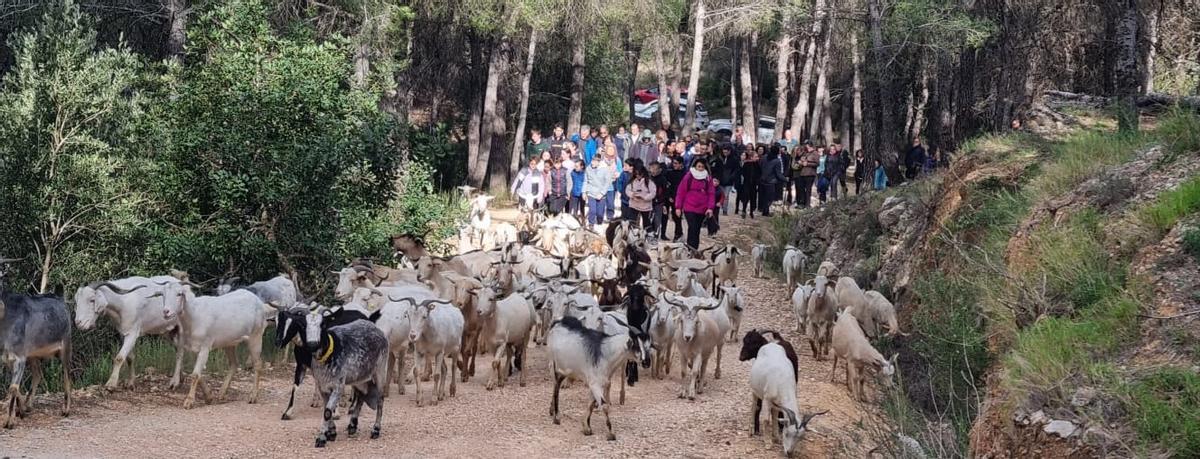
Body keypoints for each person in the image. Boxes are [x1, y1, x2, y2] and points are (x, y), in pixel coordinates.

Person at [674, 157, 717, 250]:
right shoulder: (689, 176)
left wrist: (710, 207)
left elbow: (711, 193)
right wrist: (678, 207)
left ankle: (694, 249)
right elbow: (681, 191)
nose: (700, 168)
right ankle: (690, 248)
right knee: (692, 227)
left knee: (697, 229)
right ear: (695, 166)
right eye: (699, 166)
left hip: (702, 208)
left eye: (702, 167)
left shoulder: (707, 178)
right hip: (689, 206)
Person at [584, 147, 617, 228]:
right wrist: (584, 192)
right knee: (592, 210)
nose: (592, 163)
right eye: (592, 160)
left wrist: (602, 193)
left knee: (600, 213)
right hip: (591, 193)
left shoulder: (605, 169)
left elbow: (607, 183)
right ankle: (591, 224)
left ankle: (599, 222)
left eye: (595, 161)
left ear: (599, 162)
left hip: (601, 194)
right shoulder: (588, 169)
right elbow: (586, 181)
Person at [624, 161, 656, 232]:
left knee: (646, 223)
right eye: (636, 174)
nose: (638, 176)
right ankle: (632, 235)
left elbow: (653, 193)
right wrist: (632, 195)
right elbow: (627, 190)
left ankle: (649, 236)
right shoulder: (632, 181)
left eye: (639, 174)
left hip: (645, 206)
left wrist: (645, 197)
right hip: (634, 205)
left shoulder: (649, 182)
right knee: (632, 222)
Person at [662, 156, 687, 241]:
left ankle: (678, 233)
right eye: (673, 163)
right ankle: (662, 233)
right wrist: (668, 196)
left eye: (676, 163)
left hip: (677, 197)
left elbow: (682, 188)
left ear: (681, 164)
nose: (674, 165)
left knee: (677, 216)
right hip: (668, 196)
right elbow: (666, 185)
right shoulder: (669, 171)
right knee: (664, 215)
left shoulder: (684, 174)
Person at [758, 146, 785, 217]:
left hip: (762, 180)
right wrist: (785, 179)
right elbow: (778, 174)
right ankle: (766, 211)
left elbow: (760, 166)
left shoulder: (764, 157)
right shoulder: (777, 161)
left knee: (763, 197)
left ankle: (764, 210)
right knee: (770, 198)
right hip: (771, 182)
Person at [737, 146, 762, 218]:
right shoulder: (746, 164)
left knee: (753, 198)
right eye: (755, 157)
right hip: (747, 183)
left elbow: (759, 173)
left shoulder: (757, 165)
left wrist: (757, 180)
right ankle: (744, 210)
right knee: (746, 197)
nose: (757, 158)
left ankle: (751, 211)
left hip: (754, 184)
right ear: (751, 157)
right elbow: (743, 173)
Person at [715, 145, 740, 216]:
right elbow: (716, 169)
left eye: (726, 152)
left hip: (729, 181)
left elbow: (736, 169)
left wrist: (732, 177)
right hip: (720, 180)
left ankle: (725, 210)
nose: (725, 153)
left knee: (726, 195)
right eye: (724, 152)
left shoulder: (734, 159)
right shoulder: (719, 159)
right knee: (721, 195)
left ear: (729, 151)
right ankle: (721, 206)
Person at [601, 141, 623, 221]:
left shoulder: (617, 160)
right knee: (601, 202)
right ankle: (600, 217)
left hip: (612, 185)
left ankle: (610, 217)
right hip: (601, 184)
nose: (610, 151)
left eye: (612, 149)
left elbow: (620, 171)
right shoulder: (602, 158)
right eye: (609, 149)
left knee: (610, 202)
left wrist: (617, 174)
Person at [648, 161, 669, 238]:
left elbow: (665, 191)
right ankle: (648, 232)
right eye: (651, 169)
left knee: (657, 219)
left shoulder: (662, 179)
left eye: (655, 169)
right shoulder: (649, 178)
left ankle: (656, 234)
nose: (653, 171)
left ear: (659, 170)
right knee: (648, 218)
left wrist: (663, 202)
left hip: (659, 202)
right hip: (649, 201)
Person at [795, 143, 818, 208]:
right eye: (806, 147)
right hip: (803, 173)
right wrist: (800, 162)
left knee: (808, 189)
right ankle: (802, 203)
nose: (807, 148)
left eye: (808, 147)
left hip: (810, 174)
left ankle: (808, 204)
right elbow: (802, 159)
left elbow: (817, 163)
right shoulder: (806, 153)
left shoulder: (815, 153)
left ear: (811, 147)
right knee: (801, 189)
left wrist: (808, 164)